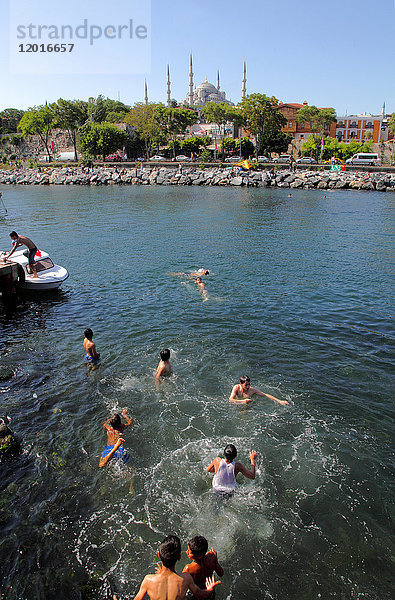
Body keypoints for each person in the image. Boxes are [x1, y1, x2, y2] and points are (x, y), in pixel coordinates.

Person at [116, 535, 220, 600]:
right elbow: (199, 595)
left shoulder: (148, 580)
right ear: (179, 557)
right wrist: (210, 589)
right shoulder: (186, 579)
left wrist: (162, 574)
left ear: (158, 555)